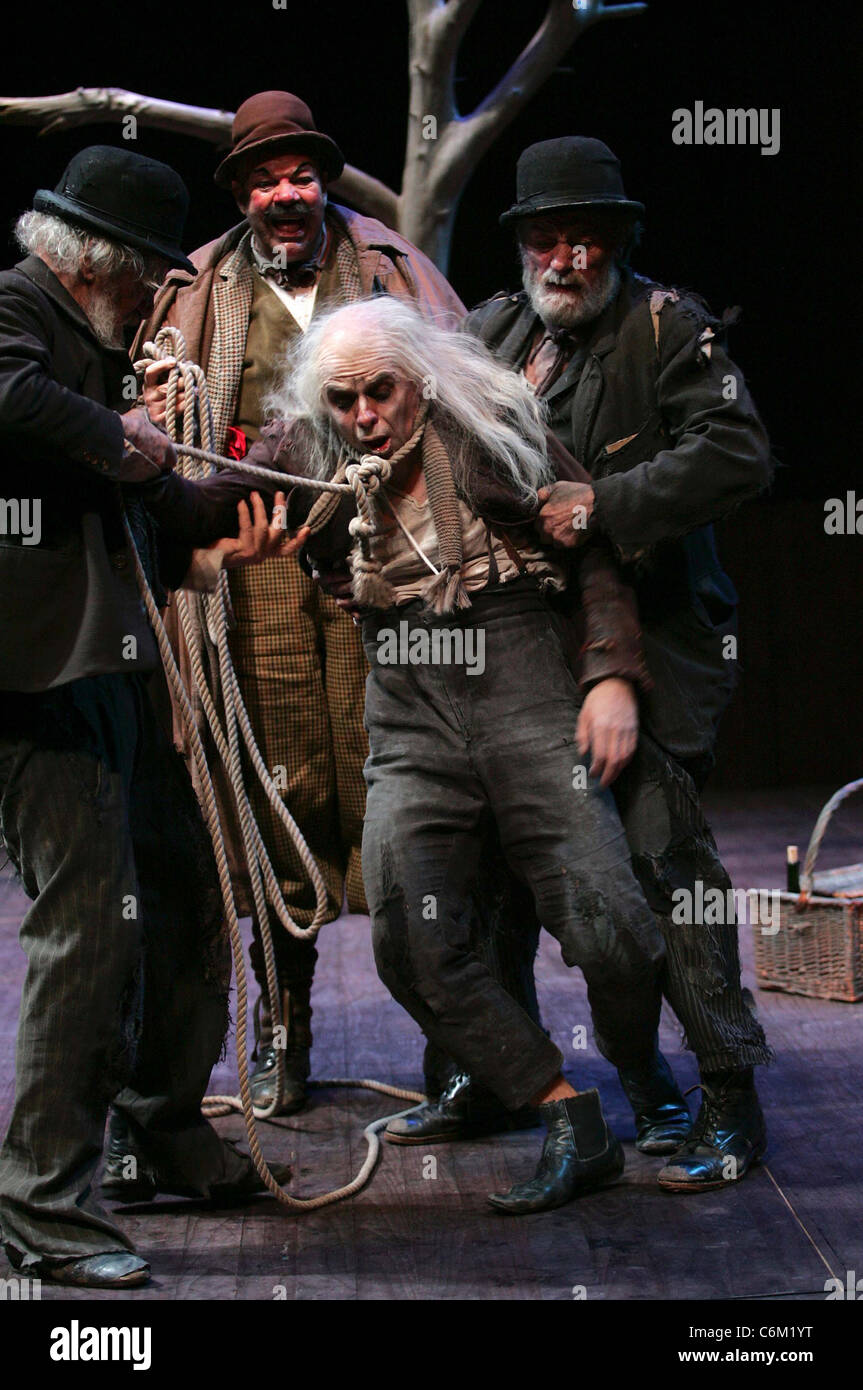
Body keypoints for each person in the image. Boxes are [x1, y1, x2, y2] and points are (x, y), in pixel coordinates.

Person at [188, 294, 683, 1216]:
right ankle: (565, 1113)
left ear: (418, 378)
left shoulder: (493, 432)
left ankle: (643, 1073)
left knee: (608, 918)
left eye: (381, 391)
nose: (365, 416)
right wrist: (184, 509)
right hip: (406, 695)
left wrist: (610, 673)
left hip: (519, 671)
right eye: (342, 400)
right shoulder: (316, 459)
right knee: (409, 942)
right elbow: (214, 497)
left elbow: (595, 550)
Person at [0, 147, 297, 1289]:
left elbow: (140, 499)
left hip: (106, 670)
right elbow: (21, 410)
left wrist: (234, 508)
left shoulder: (82, 348)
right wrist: (119, 435)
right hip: (35, 687)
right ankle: (39, 1208)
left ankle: (163, 1119)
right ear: (103, 265)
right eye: (144, 279)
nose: (151, 302)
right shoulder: (17, 312)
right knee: (91, 930)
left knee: (180, 894)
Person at [138, 90, 467, 1117]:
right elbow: (154, 419)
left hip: (385, 557)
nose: (287, 193)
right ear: (241, 191)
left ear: (319, 181)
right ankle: (283, 1023)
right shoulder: (197, 285)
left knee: (404, 797)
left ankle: (455, 1033)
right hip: (260, 565)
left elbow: (460, 375)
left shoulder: (385, 266)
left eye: (300, 174)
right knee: (276, 794)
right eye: (265, 178)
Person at [465, 136, 774, 1190]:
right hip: (527, 654)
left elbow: (739, 453)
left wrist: (606, 502)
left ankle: (728, 1095)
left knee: (662, 862)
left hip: (656, 644)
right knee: (511, 872)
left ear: (616, 241)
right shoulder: (492, 332)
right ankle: (600, 1082)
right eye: (544, 238)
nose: (563, 258)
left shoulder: (662, 328)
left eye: (583, 237)